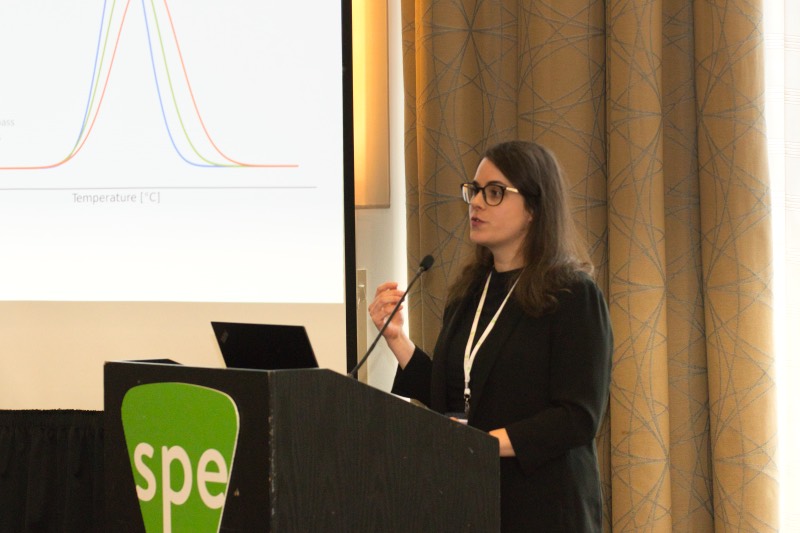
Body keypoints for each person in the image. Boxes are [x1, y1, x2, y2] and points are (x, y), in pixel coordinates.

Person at [368, 140, 613, 532]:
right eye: (475, 190)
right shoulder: (468, 293)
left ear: (534, 208)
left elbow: (577, 417)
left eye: (495, 192)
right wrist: (397, 340)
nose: (477, 203)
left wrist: (481, 445)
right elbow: (453, 398)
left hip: (545, 507)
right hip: (475, 499)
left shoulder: (572, 295)